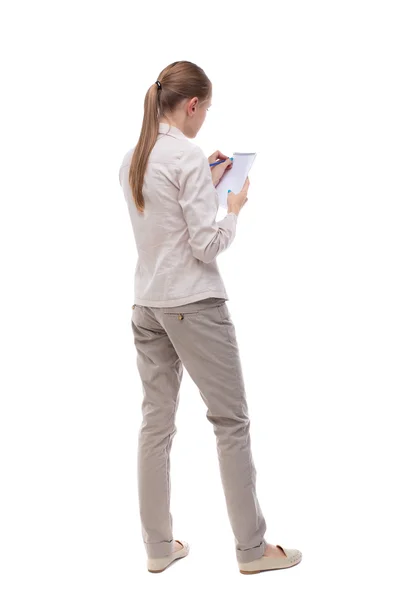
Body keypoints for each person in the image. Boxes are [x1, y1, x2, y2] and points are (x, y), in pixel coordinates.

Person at [118, 60, 302, 575]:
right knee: (231, 423)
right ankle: (253, 551)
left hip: (146, 303)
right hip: (193, 306)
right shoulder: (187, 155)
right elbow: (204, 245)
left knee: (155, 424)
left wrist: (208, 181)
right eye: (207, 109)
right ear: (193, 105)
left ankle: (158, 547)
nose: (204, 119)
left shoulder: (133, 157)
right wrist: (235, 207)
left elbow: (166, 224)